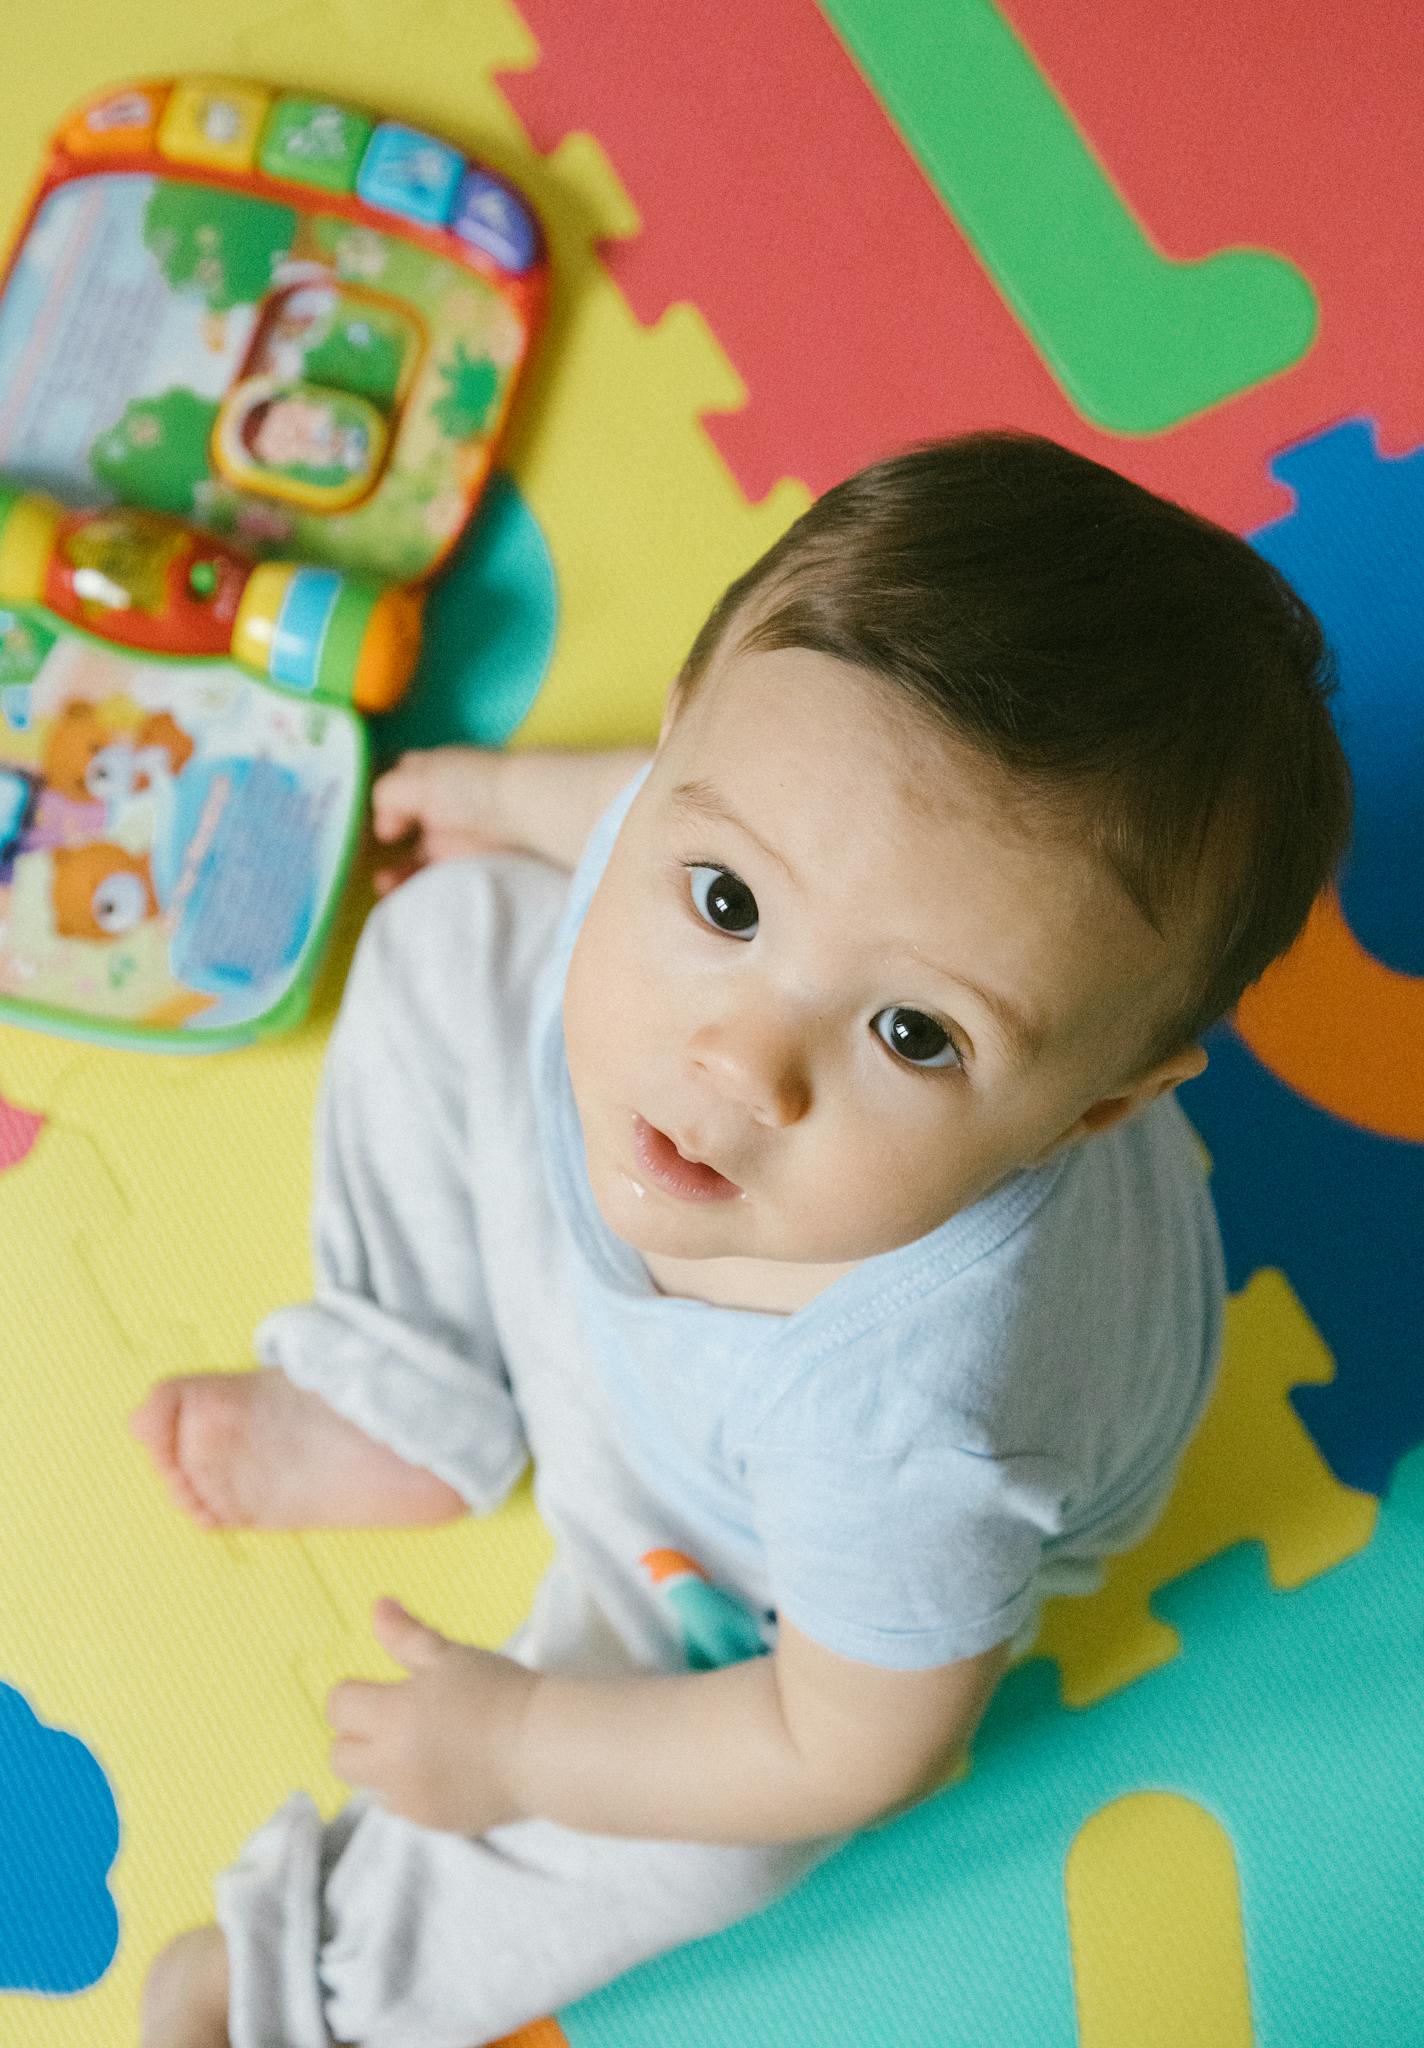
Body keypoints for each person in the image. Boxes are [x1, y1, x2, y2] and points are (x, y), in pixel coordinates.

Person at [128, 431, 1351, 2047]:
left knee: (718, 1829)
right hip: (649, 1305)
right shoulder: (779, 853)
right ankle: (409, 1387)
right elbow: (647, 797)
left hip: (733, 1545)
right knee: (448, 933)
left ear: (1101, 1107)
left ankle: (313, 1980)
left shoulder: (920, 1427)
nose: (738, 1064)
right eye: (723, 904)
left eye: (916, 1037)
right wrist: (499, 799)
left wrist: (524, 1745)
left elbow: (851, 1746)